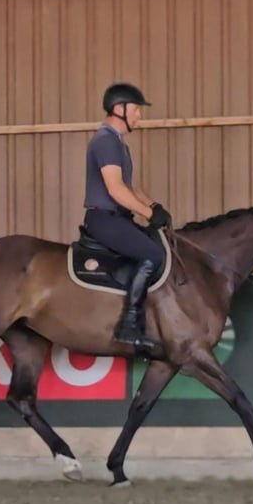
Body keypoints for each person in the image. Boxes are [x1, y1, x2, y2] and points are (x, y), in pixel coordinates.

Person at [82, 82, 173, 352]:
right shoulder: (106, 141)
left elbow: (131, 187)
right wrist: (146, 214)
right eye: (136, 110)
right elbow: (115, 189)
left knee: (157, 246)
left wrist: (154, 206)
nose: (139, 116)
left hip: (118, 218)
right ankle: (129, 325)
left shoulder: (119, 144)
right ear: (119, 108)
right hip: (105, 220)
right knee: (153, 256)